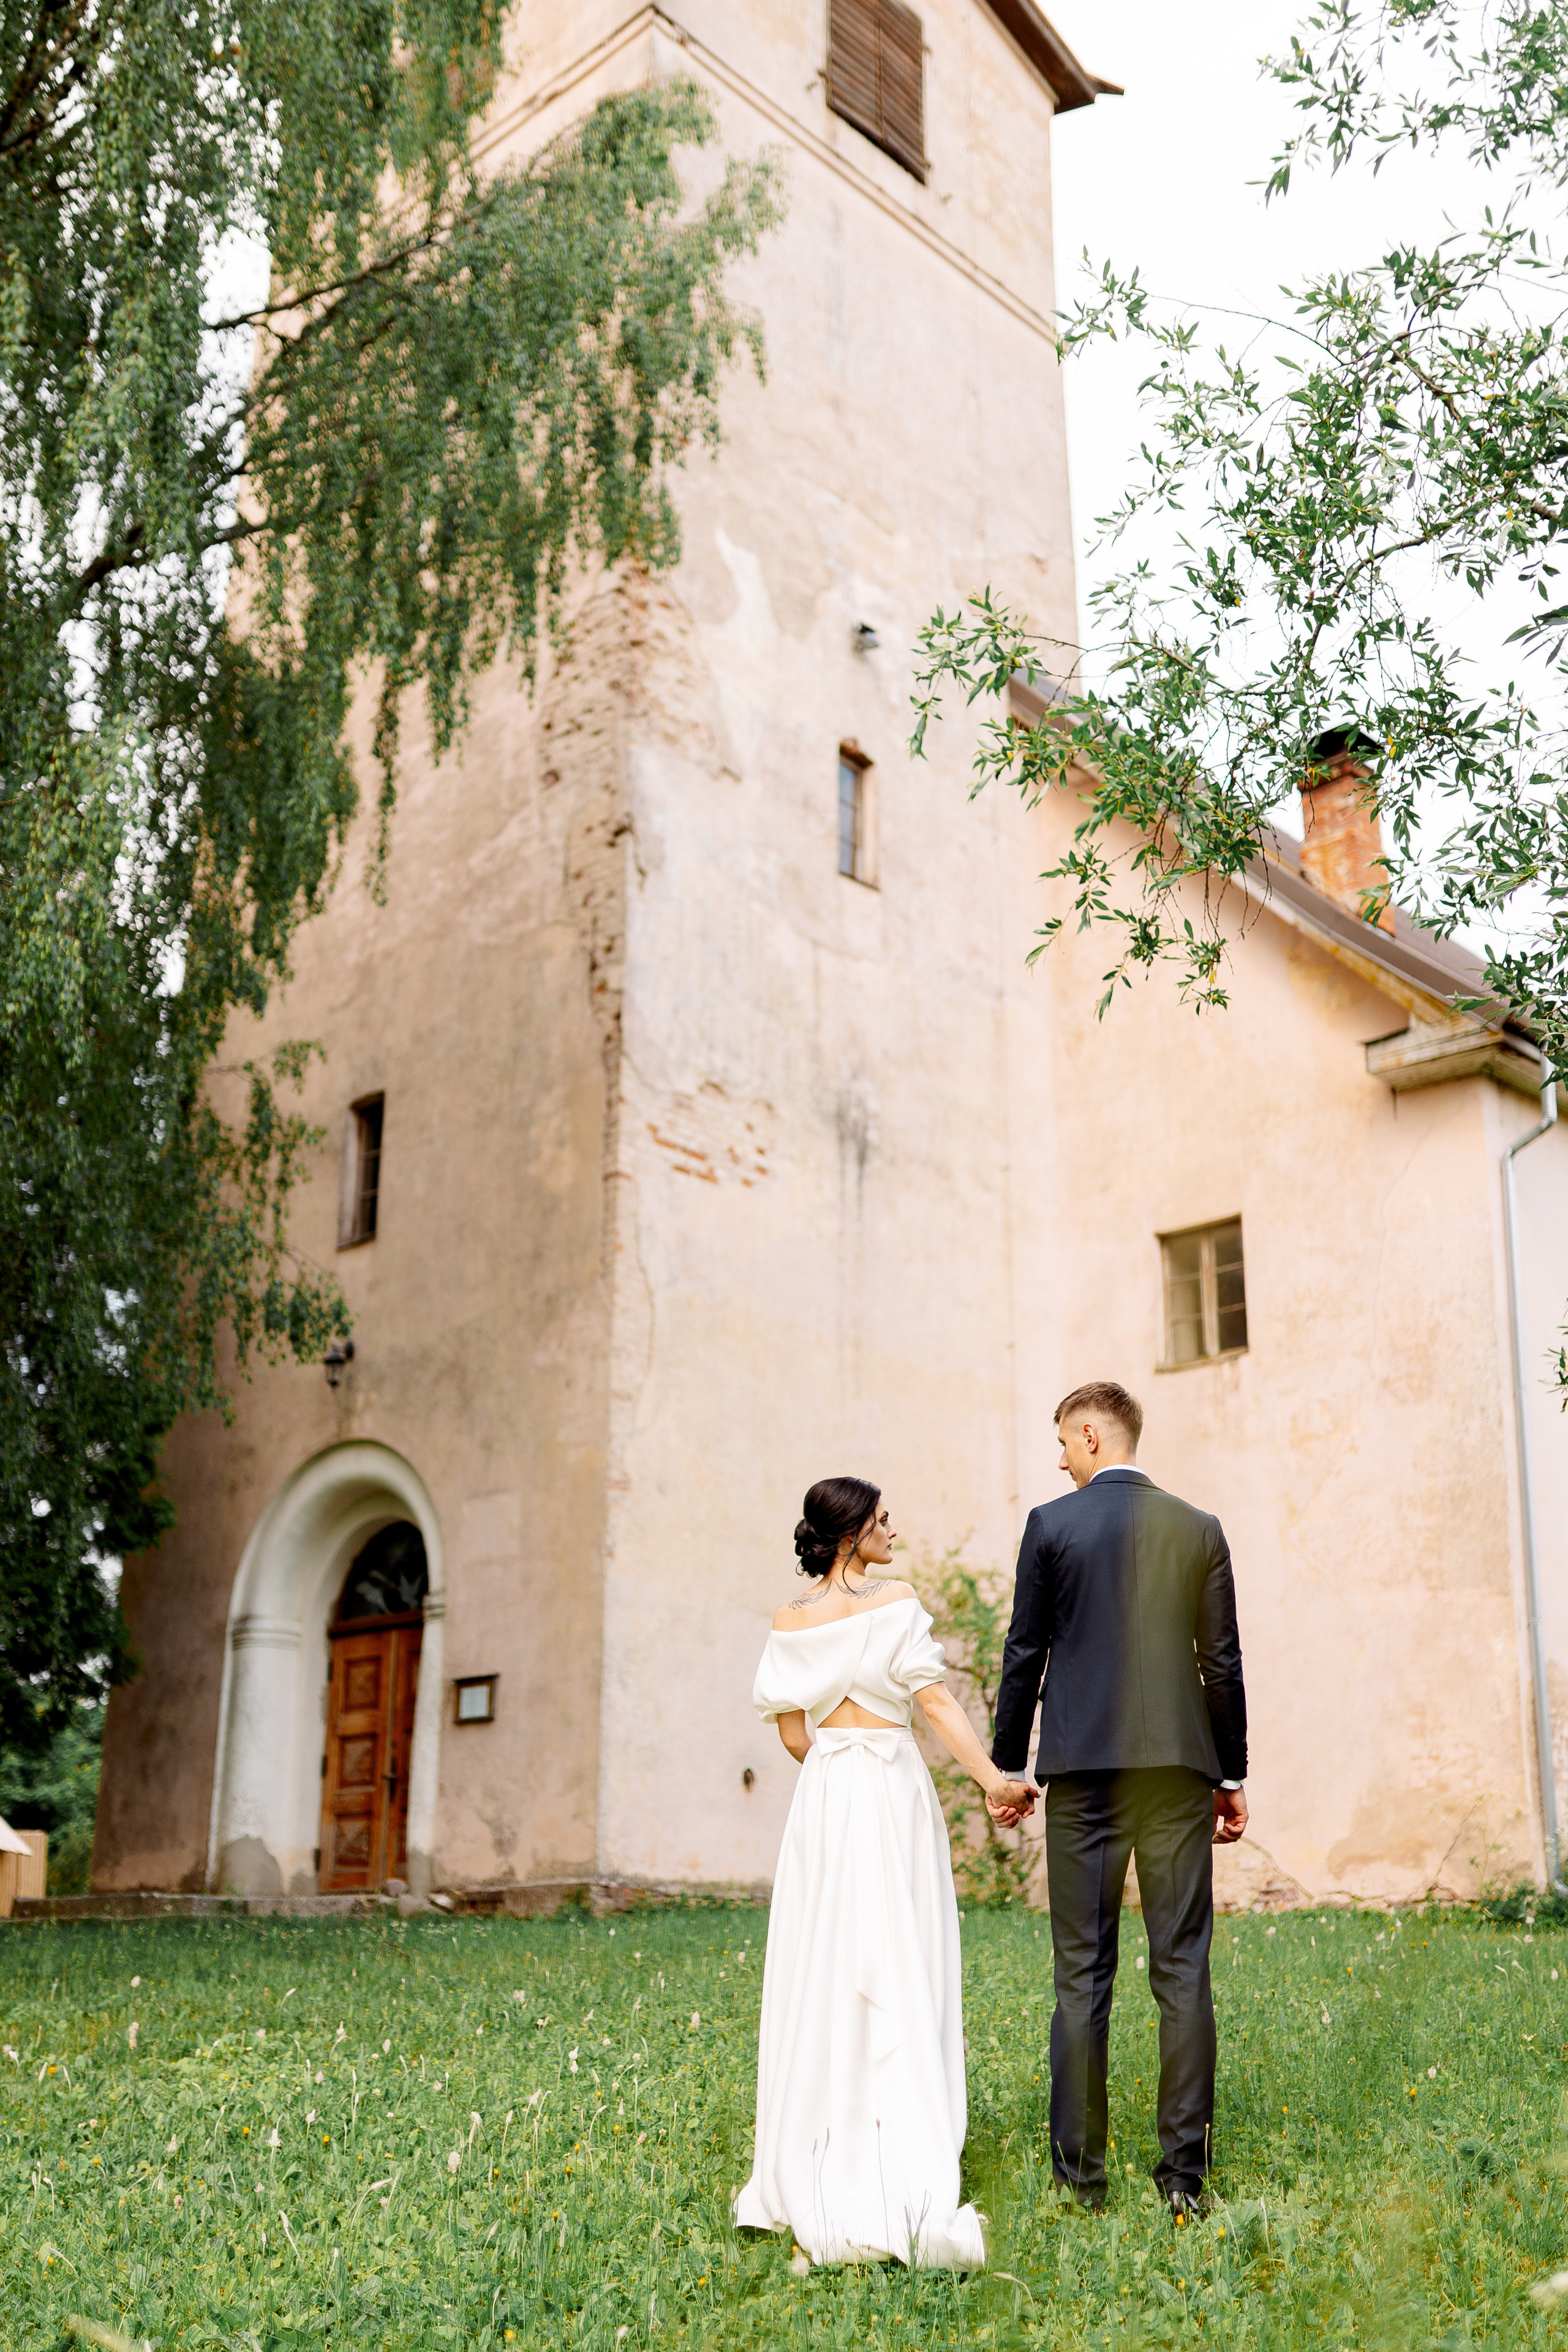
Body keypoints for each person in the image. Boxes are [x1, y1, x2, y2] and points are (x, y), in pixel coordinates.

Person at [734, 1476, 1035, 2269]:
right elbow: (934, 1705)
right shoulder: (894, 1599)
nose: (892, 1530)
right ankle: (897, 2141)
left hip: (827, 1802)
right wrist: (994, 1781)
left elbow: (795, 1738)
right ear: (853, 1531)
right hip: (893, 1793)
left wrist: (841, 1758)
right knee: (902, 1955)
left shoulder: (787, 1621)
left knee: (825, 1963)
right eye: (882, 1519)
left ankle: (815, 2147)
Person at [988, 1382, 1248, 2221]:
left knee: (1081, 1973)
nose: (1059, 1459)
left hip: (1083, 1776)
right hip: (1177, 1775)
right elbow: (1223, 1664)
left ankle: (1079, 2181)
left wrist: (1008, 1768)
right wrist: (1231, 1776)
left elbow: (1024, 1652)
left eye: (1063, 1442)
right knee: (1182, 1969)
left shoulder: (1051, 1527)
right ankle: (1183, 2180)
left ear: (1093, 1436)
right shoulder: (1198, 1528)